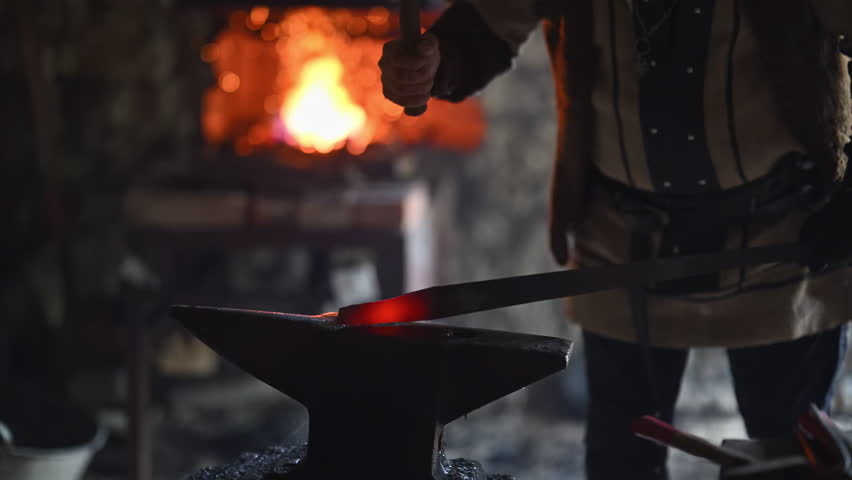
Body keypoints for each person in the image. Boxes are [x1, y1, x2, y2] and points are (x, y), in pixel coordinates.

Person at [380, 1, 852, 479]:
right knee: (622, 462)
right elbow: (486, 25)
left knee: (793, 461)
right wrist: (435, 62)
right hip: (622, 242)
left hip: (783, 245)